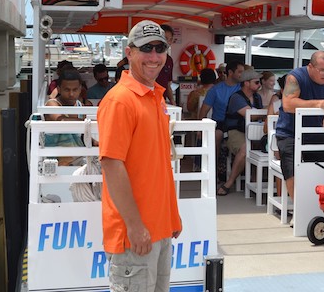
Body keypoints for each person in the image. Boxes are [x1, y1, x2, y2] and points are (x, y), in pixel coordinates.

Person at [97, 20, 182, 292]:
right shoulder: (120, 100)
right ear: (129, 52)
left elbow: (157, 165)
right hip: (134, 235)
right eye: (146, 49)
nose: (154, 57)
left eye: (160, 48)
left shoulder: (155, 96)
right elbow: (112, 165)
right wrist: (134, 226)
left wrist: (172, 217)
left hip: (159, 229)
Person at [275, 51, 324, 199]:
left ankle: (323, 203)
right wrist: (318, 103)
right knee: (291, 169)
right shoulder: (295, 77)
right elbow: (287, 104)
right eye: (322, 70)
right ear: (310, 67)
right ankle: (297, 211)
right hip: (289, 133)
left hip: (315, 133)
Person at [216, 69, 264, 196]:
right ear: (246, 83)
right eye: (257, 82)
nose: (260, 85)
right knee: (245, 148)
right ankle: (229, 182)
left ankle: (255, 181)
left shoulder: (257, 97)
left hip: (255, 131)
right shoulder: (236, 98)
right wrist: (268, 111)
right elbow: (250, 114)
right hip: (236, 132)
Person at [198, 60, 245, 180]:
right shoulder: (216, 90)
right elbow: (204, 111)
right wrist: (200, 129)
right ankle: (213, 172)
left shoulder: (244, 88)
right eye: (240, 72)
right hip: (219, 122)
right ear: (230, 72)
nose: (242, 75)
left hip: (237, 123)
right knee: (216, 135)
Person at [44, 68, 88, 166]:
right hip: (56, 163)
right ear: (58, 89)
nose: (71, 94)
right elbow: (60, 119)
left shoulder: (80, 106)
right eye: (67, 90)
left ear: (80, 89)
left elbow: (82, 136)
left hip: (79, 160)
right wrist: (86, 122)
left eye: (75, 90)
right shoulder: (52, 104)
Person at [156, 24, 177, 105]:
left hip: (162, 101)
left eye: (170, 39)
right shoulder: (149, 57)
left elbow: (168, 84)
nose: (167, 42)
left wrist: (172, 101)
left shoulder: (169, 60)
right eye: (165, 38)